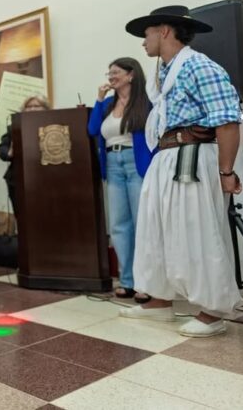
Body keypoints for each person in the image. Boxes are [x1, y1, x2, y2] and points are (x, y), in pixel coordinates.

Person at [119, 5, 243, 338]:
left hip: (193, 156)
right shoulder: (162, 76)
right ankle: (159, 300)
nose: (143, 41)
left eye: (147, 33)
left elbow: (227, 121)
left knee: (196, 229)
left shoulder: (200, 67)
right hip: (166, 155)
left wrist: (226, 172)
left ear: (164, 31)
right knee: (156, 228)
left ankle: (211, 312)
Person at [87, 58, 154, 302]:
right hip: (112, 165)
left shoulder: (145, 102)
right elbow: (93, 129)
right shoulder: (107, 104)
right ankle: (127, 281)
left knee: (141, 223)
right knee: (118, 225)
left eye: (116, 72)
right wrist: (98, 100)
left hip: (136, 164)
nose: (111, 76)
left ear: (131, 75)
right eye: (109, 72)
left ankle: (147, 282)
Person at [0, 95, 49, 222]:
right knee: (23, 219)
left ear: (46, 109)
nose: (32, 109)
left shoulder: (52, 126)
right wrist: (9, 152)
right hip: (18, 179)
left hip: (47, 179)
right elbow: (1, 149)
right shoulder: (15, 127)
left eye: (36, 106)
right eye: (28, 107)